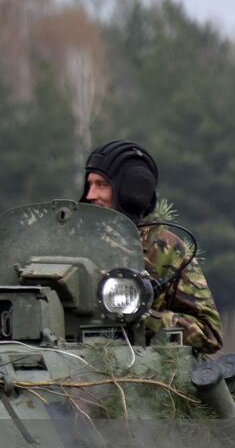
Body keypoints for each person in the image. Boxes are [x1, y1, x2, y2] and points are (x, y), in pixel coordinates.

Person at [80, 140, 224, 353]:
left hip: (139, 370)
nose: (91, 195)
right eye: (89, 184)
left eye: (101, 185)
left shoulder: (166, 250)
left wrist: (142, 316)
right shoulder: (77, 240)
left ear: (129, 190)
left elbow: (210, 334)